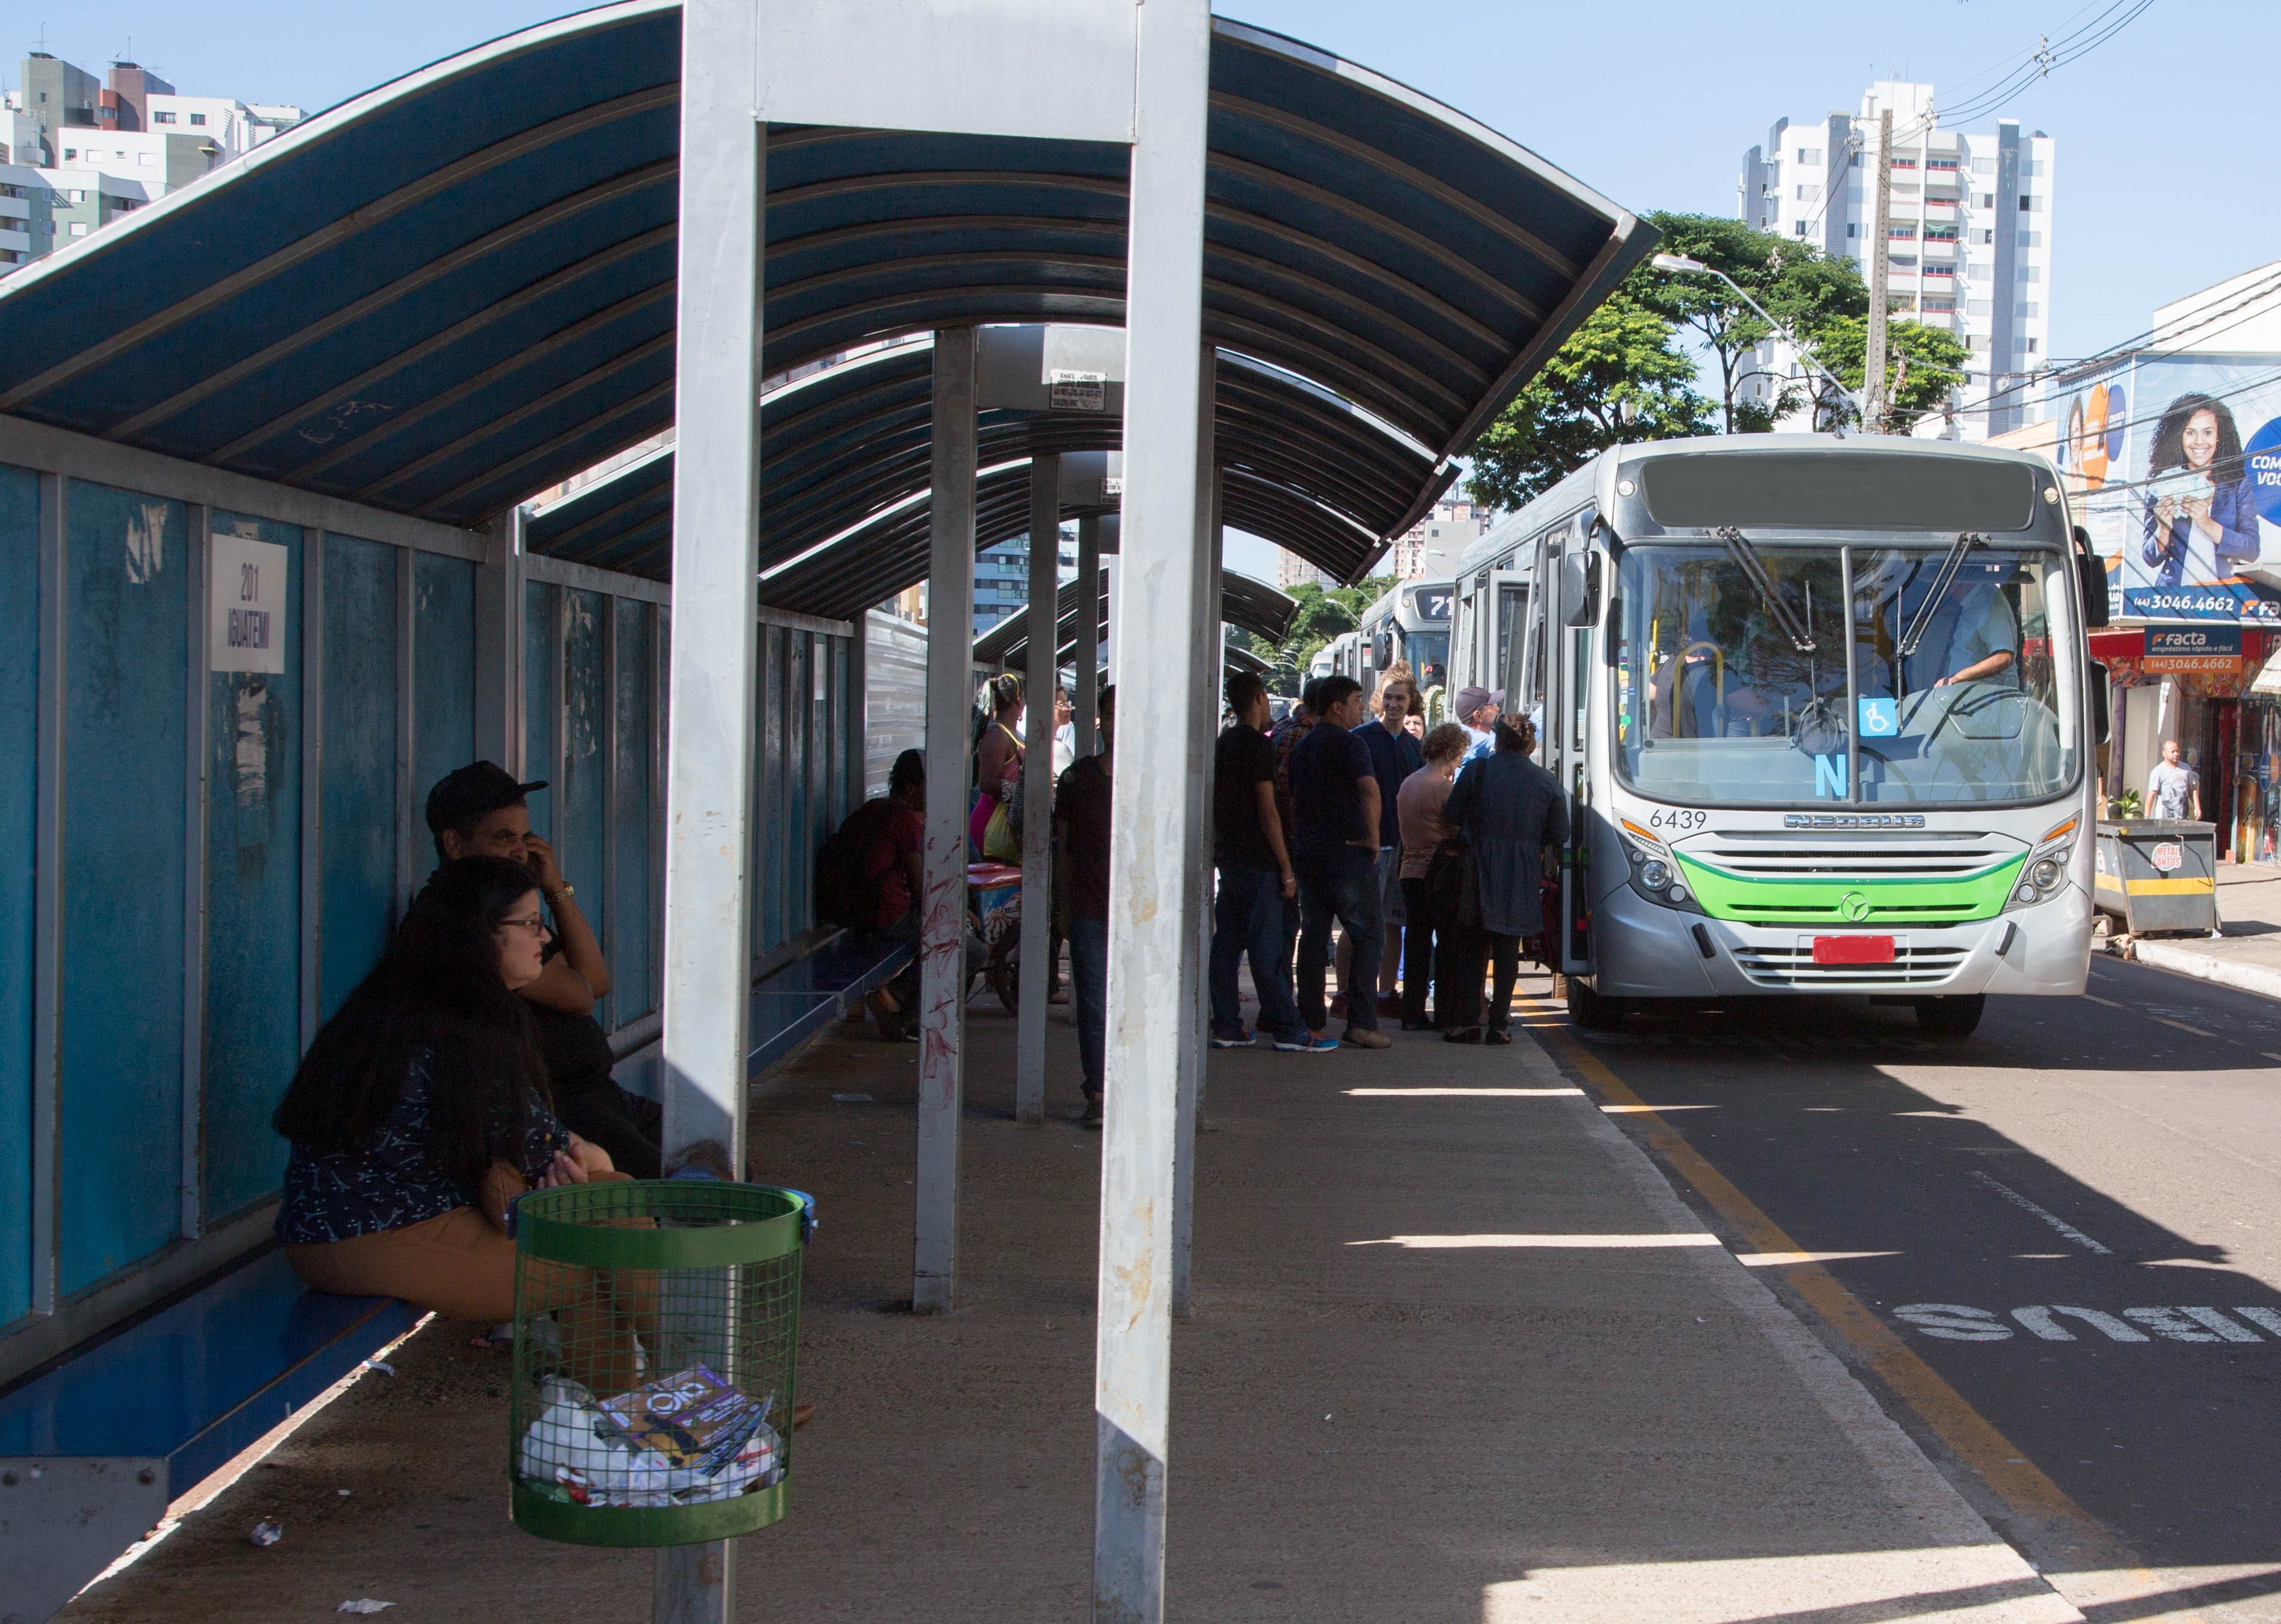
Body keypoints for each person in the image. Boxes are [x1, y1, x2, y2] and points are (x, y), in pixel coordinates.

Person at [273, 856, 649, 1387]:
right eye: (529, 923)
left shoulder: (408, 992)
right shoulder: (467, 1023)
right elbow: (557, 1154)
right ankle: (682, 1411)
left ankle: (655, 1419)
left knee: (614, 1201)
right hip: (364, 1237)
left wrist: (575, 1161)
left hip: (397, 1220)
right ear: (482, 936)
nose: (543, 936)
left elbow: (544, 1150)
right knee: (600, 1255)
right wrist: (580, 1158)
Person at [426, 762, 660, 1180]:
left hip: (600, 1093)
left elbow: (597, 980)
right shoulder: (469, 919)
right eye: (503, 838)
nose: (520, 850)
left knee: (717, 1154)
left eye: (524, 837)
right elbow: (581, 994)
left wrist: (554, 885)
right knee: (675, 1188)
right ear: (455, 845)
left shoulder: (509, 906)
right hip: (562, 1104)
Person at [1210, 672, 1330, 1053]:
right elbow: (1267, 808)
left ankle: (1227, 1024)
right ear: (1261, 698)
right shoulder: (1256, 747)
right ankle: (1289, 1029)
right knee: (1267, 948)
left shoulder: (1224, 742)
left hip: (1229, 856)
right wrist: (1286, 865)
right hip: (1259, 858)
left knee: (1227, 944)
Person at [1441, 714, 1568, 1044]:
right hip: (1522, 870)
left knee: (1473, 948)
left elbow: (1451, 814)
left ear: (1497, 739)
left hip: (1478, 866)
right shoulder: (1546, 781)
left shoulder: (1477, 771)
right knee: (1509, 948)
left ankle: (1469, 1022)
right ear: (1530, 743)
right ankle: (1499, 1025)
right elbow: (1560, 832)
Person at [1288, 675, 1391, 1049]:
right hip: (1348, 855)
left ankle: (1312, 1023)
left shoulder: (1302, 746)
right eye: (1356, 700)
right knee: (1368, 935)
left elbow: (1294, 800)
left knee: (1314, 938)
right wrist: (1373, 838)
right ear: (1337, 706)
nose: (1361, 707)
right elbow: (1369, 790)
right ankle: (1362, 1023)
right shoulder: (1352, 744)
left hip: (1310, 854)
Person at [1056, 686, 1116, 1127]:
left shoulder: (1152, 778)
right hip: (1090, 909)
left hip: (1139, 916)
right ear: (1099, 721)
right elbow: (1063, 850)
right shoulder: (1077, 780)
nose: (1118, 724)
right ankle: (1098, 1092)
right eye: (1111, 715)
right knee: (1094, 1006)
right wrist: (1061, 907)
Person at [1352, 671, 1424, 1017]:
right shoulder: (1360, 739)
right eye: (1389, 697)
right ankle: (1347, 993)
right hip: (1370, 847)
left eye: (1401, 699)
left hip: (1404, 848)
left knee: (1394, 922)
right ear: (1379, 698)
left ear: (1412, 702)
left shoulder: (1415, 747)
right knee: (1359, 921)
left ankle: (1385, 993)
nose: (1394, 704)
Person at [2140, 394, 2258, 588]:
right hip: (2172, 602)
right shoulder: (2162, 485)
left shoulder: (2237, 485)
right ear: (2180, 436)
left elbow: (2251, 549)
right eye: (2191, 433)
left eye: (2208, 432)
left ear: (2219, 436)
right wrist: (2163, 530)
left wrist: (2206, 523)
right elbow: (2150, 557)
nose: (2199, 442)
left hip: (2224, 601)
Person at [1398, 722, 1471, 1031]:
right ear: (1452, 752)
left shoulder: (1409, 783)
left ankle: (1412, 1014)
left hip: (1409, 871)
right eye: (1459, 755)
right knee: (1447, 943)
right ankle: (1445, 1012)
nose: (1459, 762)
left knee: (1416, 942)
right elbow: (1456, 829)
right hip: (1438, 873)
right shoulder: (1442, 787)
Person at [860, 749, 927, 1040]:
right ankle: (902, 1014)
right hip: (890, 917)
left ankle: (896, 998)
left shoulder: (875, 809)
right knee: (968, 949)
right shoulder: (907, 822)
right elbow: (919, 887)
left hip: (863, 913)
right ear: (912, 788)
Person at [970, 673, 1025, 859]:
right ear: (1018, 700)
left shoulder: (1010, 734)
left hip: (1003, 822)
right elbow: (986, 783)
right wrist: (1019, 791)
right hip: (992, 824)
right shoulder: (997, 737)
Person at [2148, 738, 2201, 822]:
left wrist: (2197, 807)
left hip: (2183, 817)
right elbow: (2152, 794)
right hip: (2164, 818)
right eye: (2173, 752)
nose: (2176, 754)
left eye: (2177, 751)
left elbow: (2192, 789)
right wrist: (2147, 816)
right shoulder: (2158, 771)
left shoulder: (2186, 768)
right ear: (2164, 754)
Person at [1453, 685, 1501, 762]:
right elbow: (1508, 742)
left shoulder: (1462, 731)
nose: (1497, 709)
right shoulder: (1475, 739)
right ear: (1478, 715)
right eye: (1491, 706)